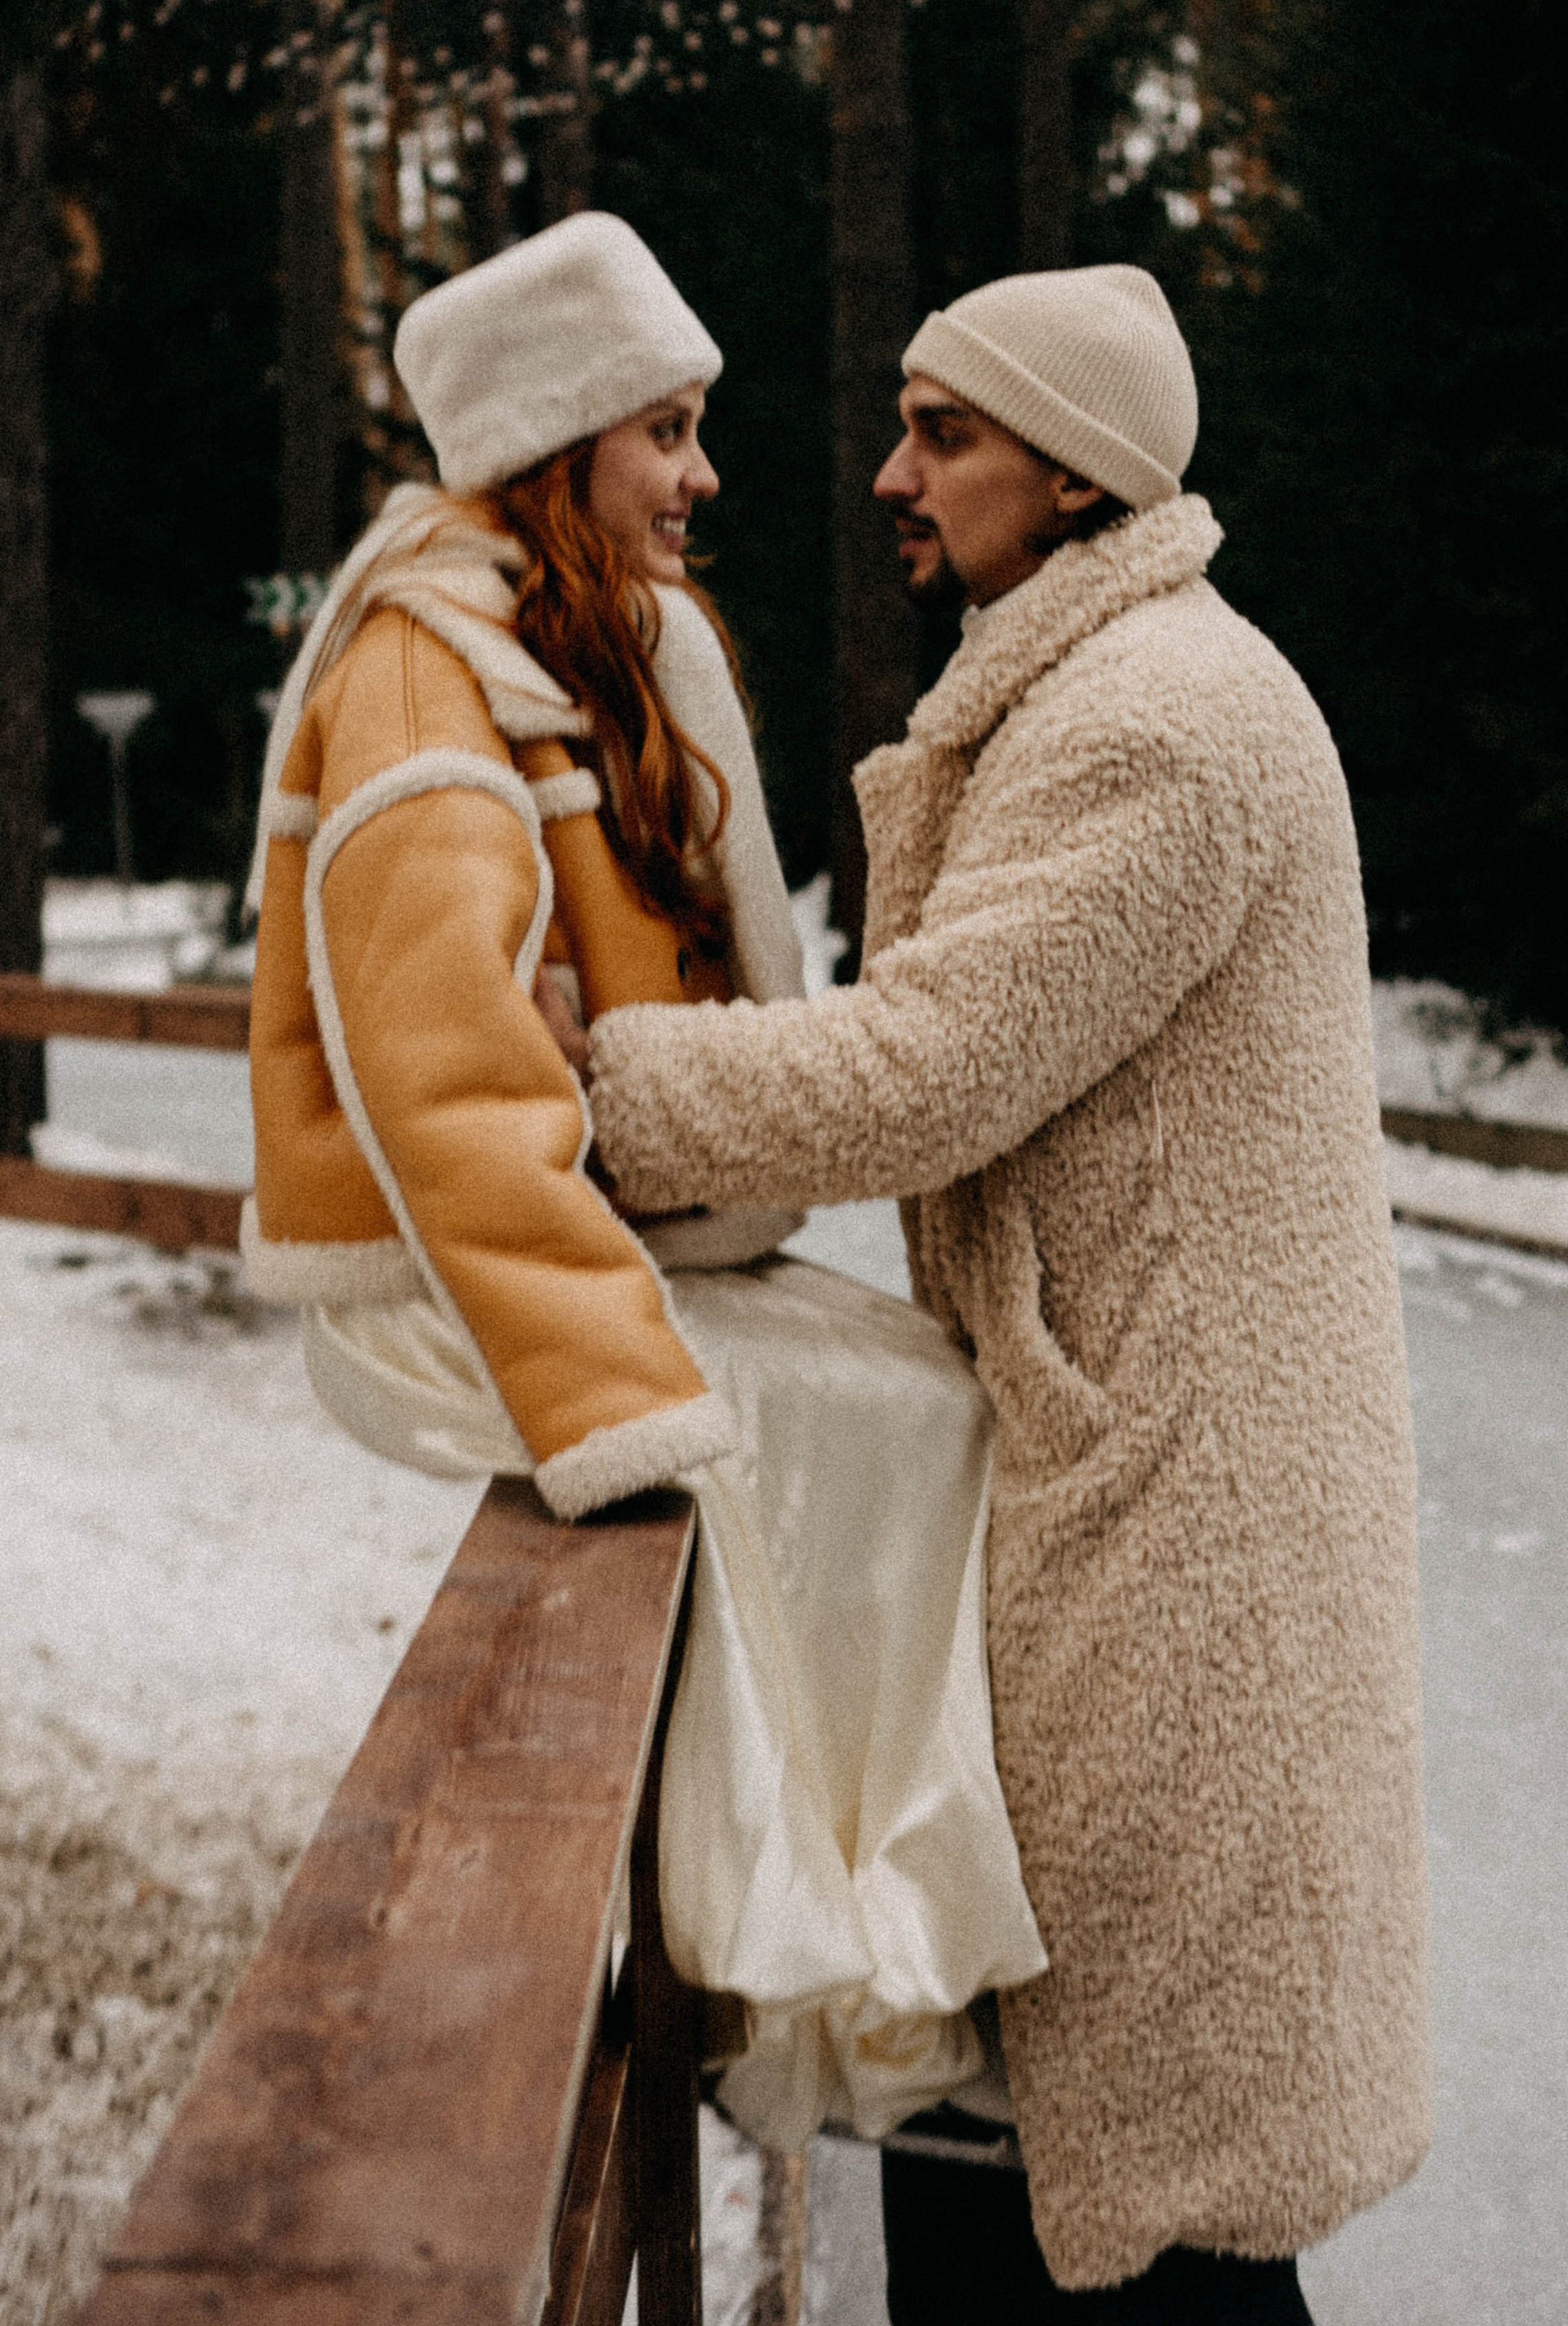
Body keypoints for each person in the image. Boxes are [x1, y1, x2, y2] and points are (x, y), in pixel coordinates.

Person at [578, 264, 1434, 2321]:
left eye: (943, 433)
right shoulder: (1095, 692)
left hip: (1184, 1548)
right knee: (1070, 2191)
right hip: (1126, 1497)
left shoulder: (1165, 725)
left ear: (1074, 472)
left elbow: (933, 1063)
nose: (892, 473)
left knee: (1152, 2221)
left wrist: (598, 1087)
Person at [242, 211, 1047, 2148]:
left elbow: (615, 1004)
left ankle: (907, 1964)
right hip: (451, 1290)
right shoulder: (425, 682)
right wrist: (614, 1390)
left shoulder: (575, 639)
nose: (706, 476)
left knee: (928, 1399)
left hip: (574, 1253)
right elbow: (452, 1107)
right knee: (822, 1438)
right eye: (666, 433)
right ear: (558, 442)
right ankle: (818, 2003)